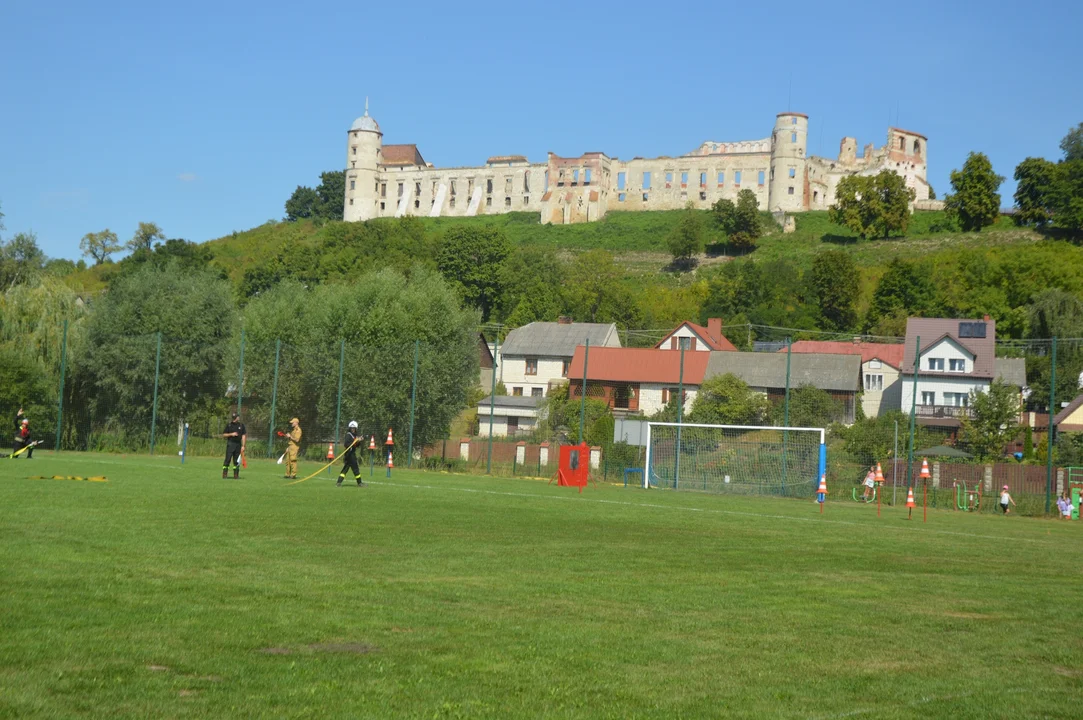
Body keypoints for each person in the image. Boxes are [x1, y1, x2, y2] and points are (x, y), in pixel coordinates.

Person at [337, 421, 364, 487]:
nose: (353, 429)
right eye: (351, 428)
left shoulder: (354, 436)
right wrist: (355, 441)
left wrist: (359, 441)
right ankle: (359, 483)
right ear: (350, 428)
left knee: (345, 468)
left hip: (351, 454)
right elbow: (346, 444)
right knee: (356, 469)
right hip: (350, 454)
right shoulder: (348, 435)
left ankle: (338, 482)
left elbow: (356, 445)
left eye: (354, 428)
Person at [221, 412, 247, 479]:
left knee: (237, 460)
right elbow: (224, 434)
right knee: (228, 459)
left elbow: (244, 436)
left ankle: (236, 475)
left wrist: (243, 446)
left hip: (238, 445)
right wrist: (231, 434)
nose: (237, 418)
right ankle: (224, 474)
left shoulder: (241, 426)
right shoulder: (229, 425)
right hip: (231, 444)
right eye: (236, 417)